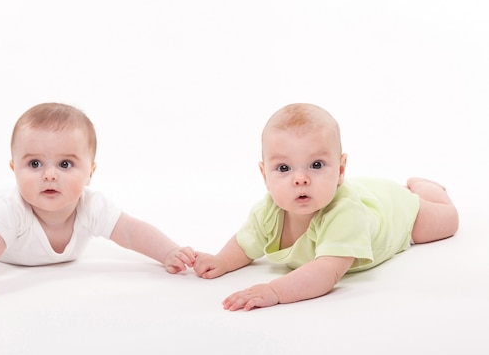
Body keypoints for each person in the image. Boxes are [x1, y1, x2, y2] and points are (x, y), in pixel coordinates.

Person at [0, 102, 196, 305]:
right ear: (14, 168)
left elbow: (131, 231)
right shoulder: (11, 209)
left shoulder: (91, 206)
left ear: (90, 173)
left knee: (3, 194)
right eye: (34, 163)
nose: (49, 174)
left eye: (65, 164)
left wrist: (169, 252)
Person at [192, 103, 459, 311]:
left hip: (394, 212)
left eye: (316, 165)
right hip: (366, 193)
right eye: (283, 168)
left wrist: (275, 291)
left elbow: (325, 272)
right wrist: (222, 261)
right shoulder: (269, 211)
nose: (300, 179)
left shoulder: (344, 213)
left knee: (447, 221)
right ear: (264, 175)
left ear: (340, 170)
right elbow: (244, 243)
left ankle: (425, 187)